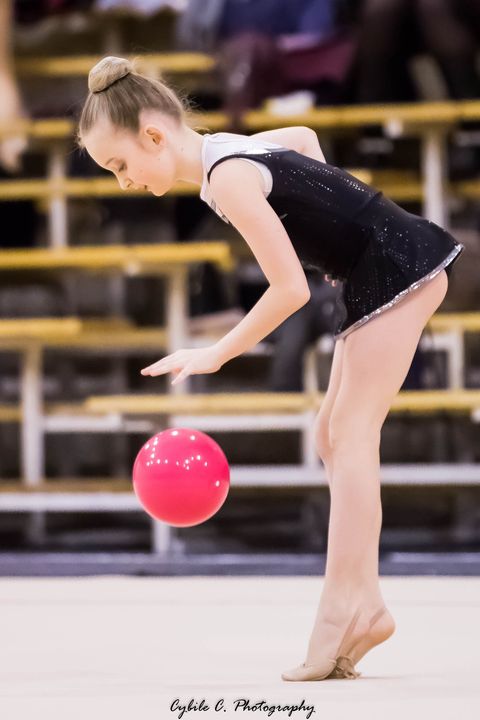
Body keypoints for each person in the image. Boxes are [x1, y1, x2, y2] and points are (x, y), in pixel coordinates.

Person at [76, 56, 465, 681]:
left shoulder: (227, 175)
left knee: (352, 435)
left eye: (120, 165)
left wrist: (215, 352)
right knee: (331, 437)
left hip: (398, 265)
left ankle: (344, 611)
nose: (123, 182)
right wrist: (339, 227)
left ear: (153, 135)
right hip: (377, 265)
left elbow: (289, 291)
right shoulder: (225, 153)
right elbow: (302, 141)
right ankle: (365, 604)